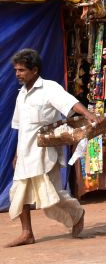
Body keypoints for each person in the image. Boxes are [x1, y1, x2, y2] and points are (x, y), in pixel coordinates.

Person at [7, 49, 98, 247]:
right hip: (25, 152)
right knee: (19, 192)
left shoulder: (49, 88)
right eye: (16, 70)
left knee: (51, 196)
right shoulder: (21, 95)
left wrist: (90, 116)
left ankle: (76, 213)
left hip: (44, 151)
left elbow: (71, 103)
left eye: (21, 70)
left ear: (35, 70)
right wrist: (16, 153)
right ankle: (27, 233)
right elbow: (19, 127)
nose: (18, 74)